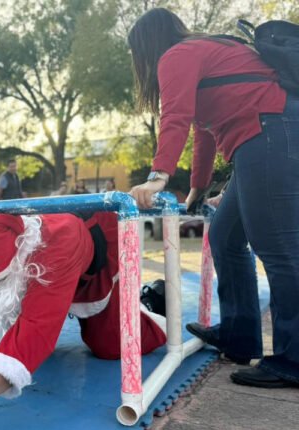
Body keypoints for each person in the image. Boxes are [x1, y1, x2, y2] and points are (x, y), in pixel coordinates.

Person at [127, 8, 299, 389]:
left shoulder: (177, 56)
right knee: (225, 235)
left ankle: (293, 358)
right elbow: (202, 131)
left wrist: (157, 178)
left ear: (145, 47)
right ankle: (240, 337)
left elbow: (175, 116)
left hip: (269, 129)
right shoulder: (205, 51)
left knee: (280, 250)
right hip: (263, 133)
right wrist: (196, 189)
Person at [0, 208, 168, 418]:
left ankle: (151, 300)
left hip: (90, 271)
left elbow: (38, 325)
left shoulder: (59, 246)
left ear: (8, 269)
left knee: (109, 345)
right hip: (44, 273)